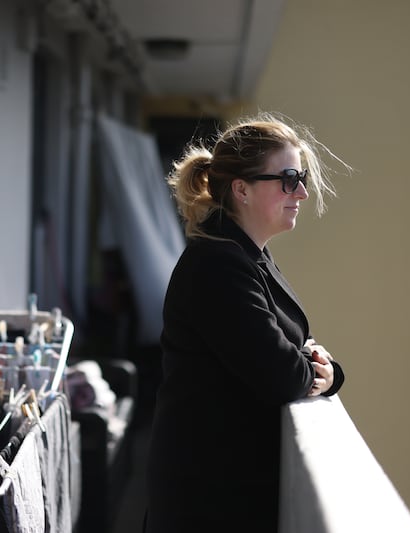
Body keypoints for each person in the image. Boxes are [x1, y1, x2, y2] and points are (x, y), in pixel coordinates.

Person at [144, 111, 348, 532]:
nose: (301, 192)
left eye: (302, 178)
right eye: (288, 179)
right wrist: (318, 370)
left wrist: (324, 371)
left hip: (226, 493)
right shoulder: (218, 265)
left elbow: (293, 347)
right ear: (242, 189)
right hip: (208, 502)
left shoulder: (245, 255)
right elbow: (281, 373)